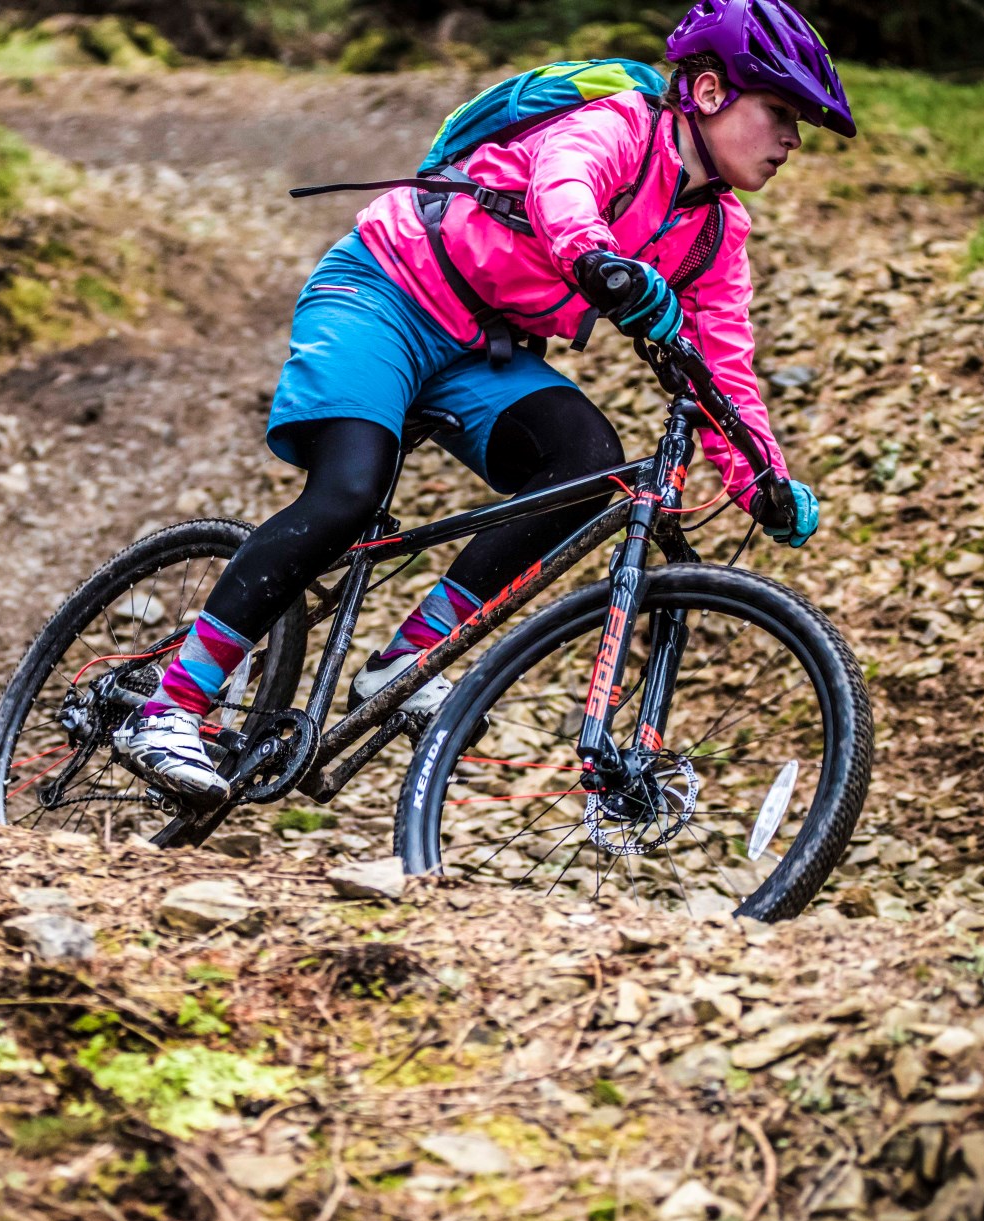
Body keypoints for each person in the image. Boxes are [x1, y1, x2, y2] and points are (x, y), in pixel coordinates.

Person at [114, 0, 853, 801]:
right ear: (708, 92)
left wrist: (760, 481)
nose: (792, 140)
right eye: (780, 112)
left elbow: (727, 372)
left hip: (480, 346)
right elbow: (561, 188)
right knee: (349, 492)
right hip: (383, 292)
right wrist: (598, 259)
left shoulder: (716, 234)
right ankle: (169, 708)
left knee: (589, 467)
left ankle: (405, 663)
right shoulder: (618, 126)